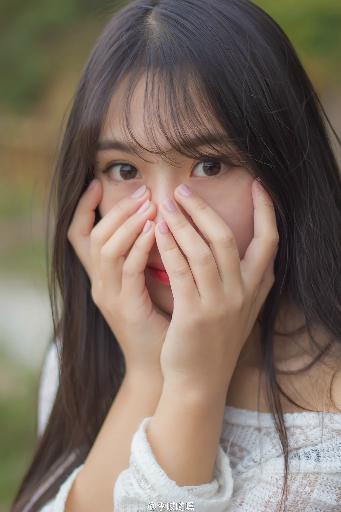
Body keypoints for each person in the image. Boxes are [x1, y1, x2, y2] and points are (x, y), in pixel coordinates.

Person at [11, 0, 341, 511]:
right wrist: (150, 374)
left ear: (287, 172)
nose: (163, 223)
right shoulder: (84, 353)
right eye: (124, 170)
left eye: (209, 165)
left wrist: (192, 388)